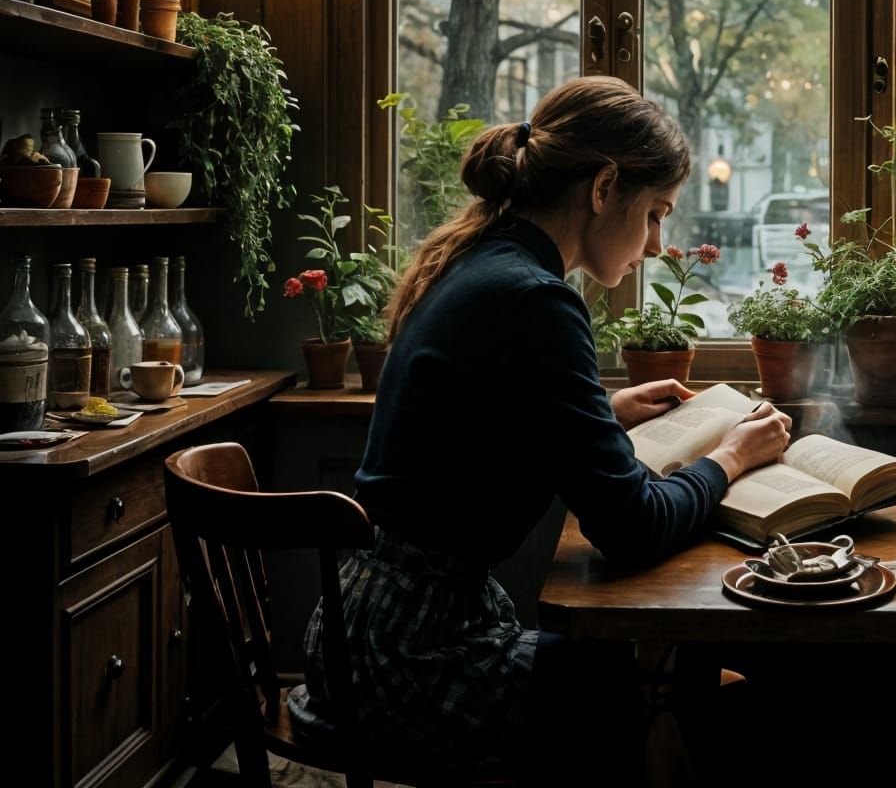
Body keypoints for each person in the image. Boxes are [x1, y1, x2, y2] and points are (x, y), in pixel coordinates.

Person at [288, 75, 792, 780]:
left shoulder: (481, 261)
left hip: (365, 628)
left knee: (655, 671)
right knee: (666, 683)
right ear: (604, 186)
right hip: (414, 658)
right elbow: (634, 527)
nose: (654, 243)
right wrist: (730, 458)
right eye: (654, 213)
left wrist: (600, 414)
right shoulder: (535, 299)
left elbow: (469, 430)